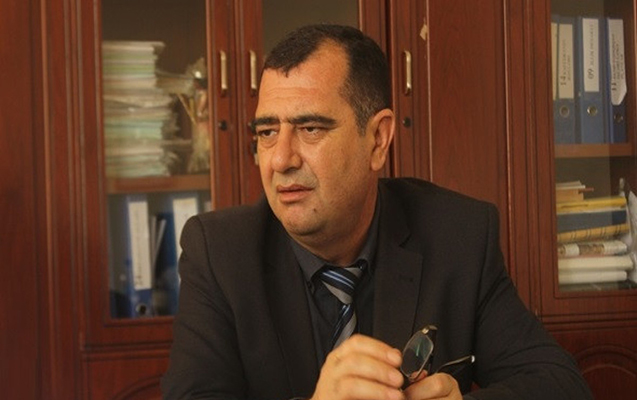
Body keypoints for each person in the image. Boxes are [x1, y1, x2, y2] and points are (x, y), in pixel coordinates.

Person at [161, 24, 592, 400]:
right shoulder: (219, 254)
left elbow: (560, 385)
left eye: (310, 128)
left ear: (378, 140)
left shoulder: (458, 236)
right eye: (268, 132)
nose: (280, 159)